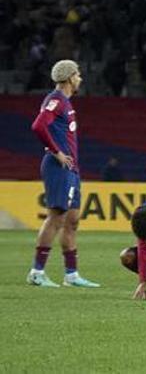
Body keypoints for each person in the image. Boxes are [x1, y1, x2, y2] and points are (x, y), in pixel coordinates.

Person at [27, 60, 99, 288]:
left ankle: (71, 275)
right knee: (56, 217)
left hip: (71, 169)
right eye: (77, 74)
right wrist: (56, 152)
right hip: (59, 166)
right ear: (69, 77)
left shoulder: (65, 103)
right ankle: (37, 272)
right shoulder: (56, 100)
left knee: (72, 221)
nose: (80, 79)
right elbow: (38, 126)